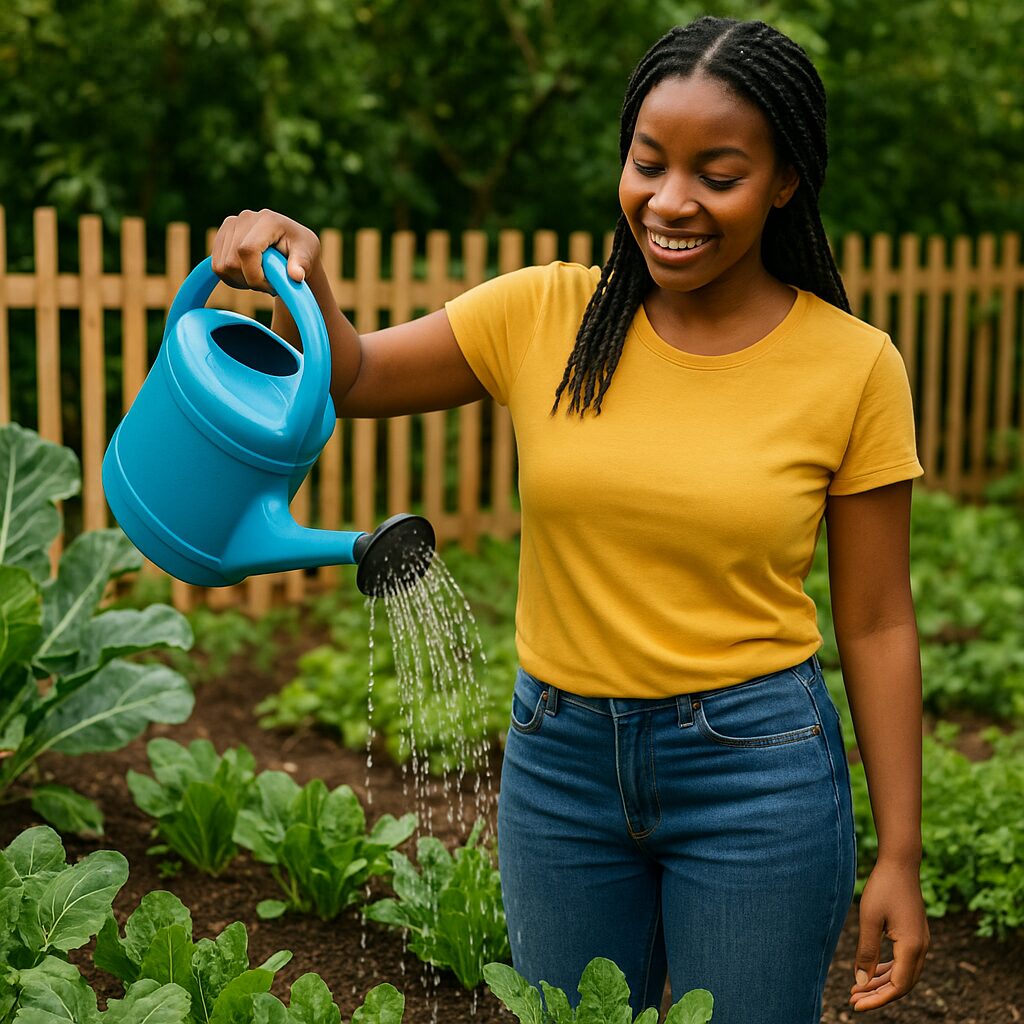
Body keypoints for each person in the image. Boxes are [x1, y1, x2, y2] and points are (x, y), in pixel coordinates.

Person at [211, 15, 930, 1023]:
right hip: (558, 768)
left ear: (784, 181)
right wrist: (301, 267)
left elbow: (876, 619)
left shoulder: (852, 365)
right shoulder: (542, 313)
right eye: (647, 163)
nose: (669, 201)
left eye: (715, 174)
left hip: (754, 775)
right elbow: (360, 373)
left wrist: (899, 852)